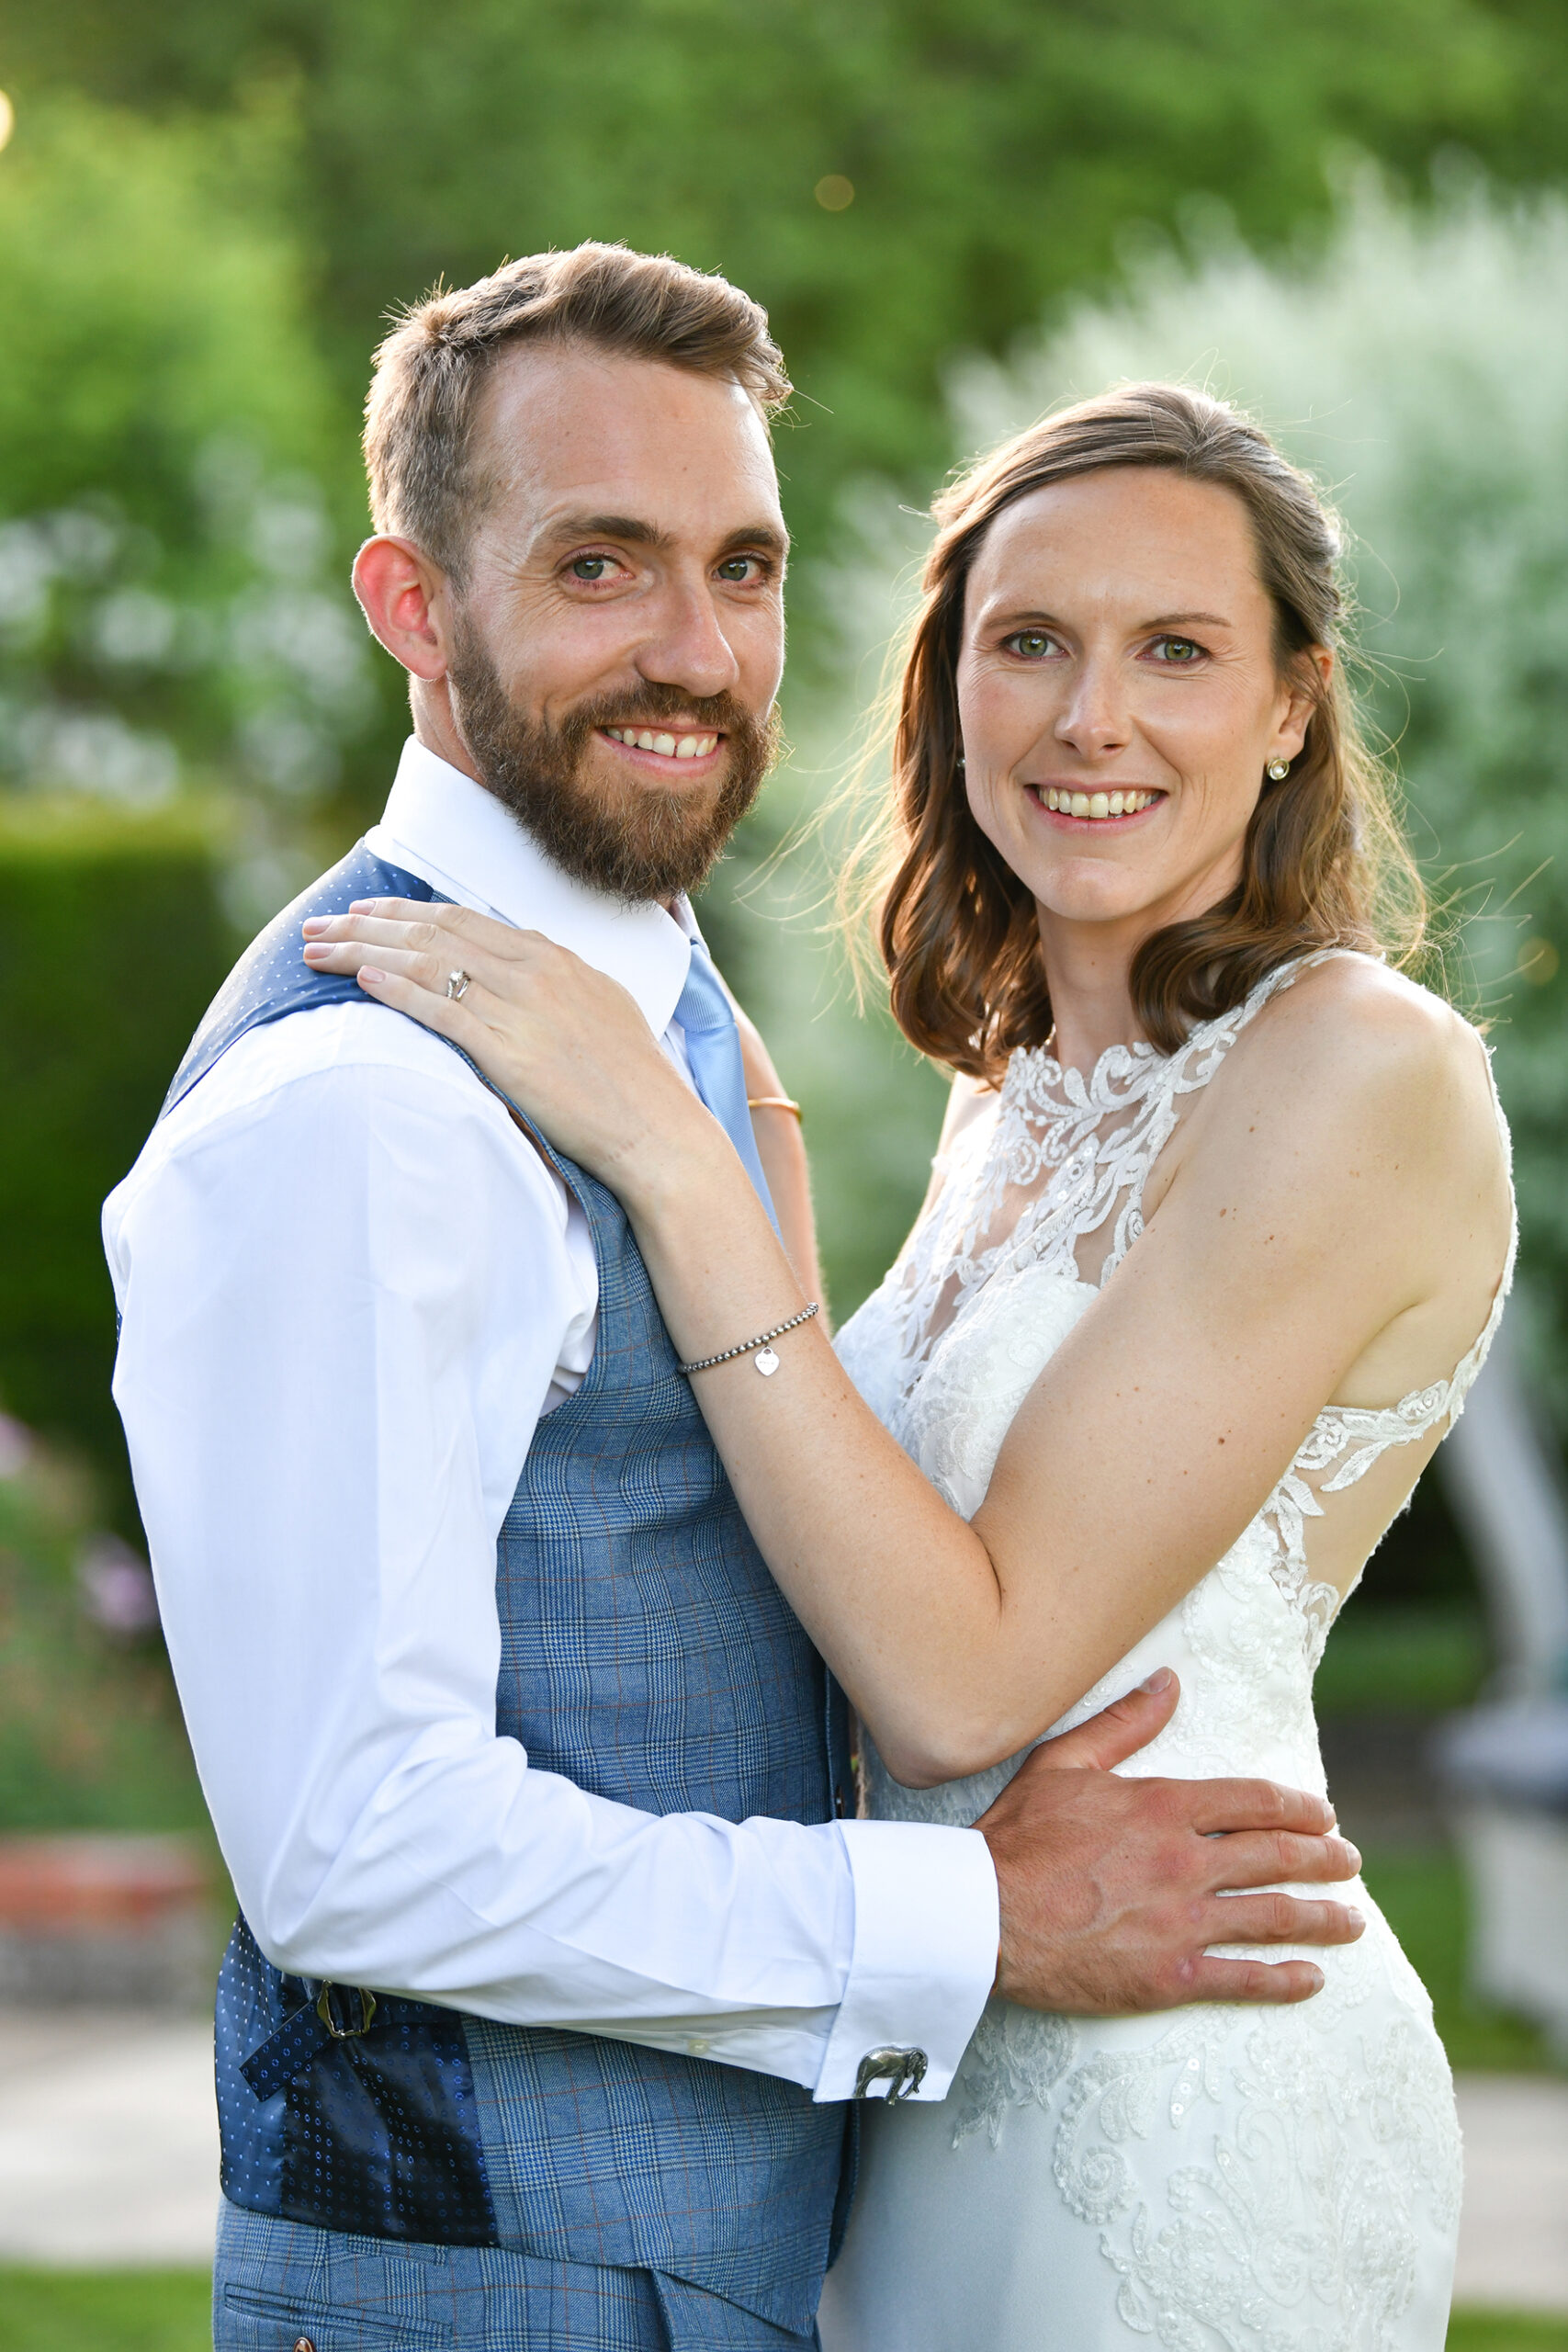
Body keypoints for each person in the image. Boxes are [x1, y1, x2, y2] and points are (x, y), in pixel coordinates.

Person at [106, 252, 1362, 2352]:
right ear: (411, 602)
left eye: (742, 567)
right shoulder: (361, 1103)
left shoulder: (664, 1013)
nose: (693, 650)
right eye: (598, 565)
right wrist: (973, 1910)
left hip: (734, 2262)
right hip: (479, 2292)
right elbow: (355, 1844)